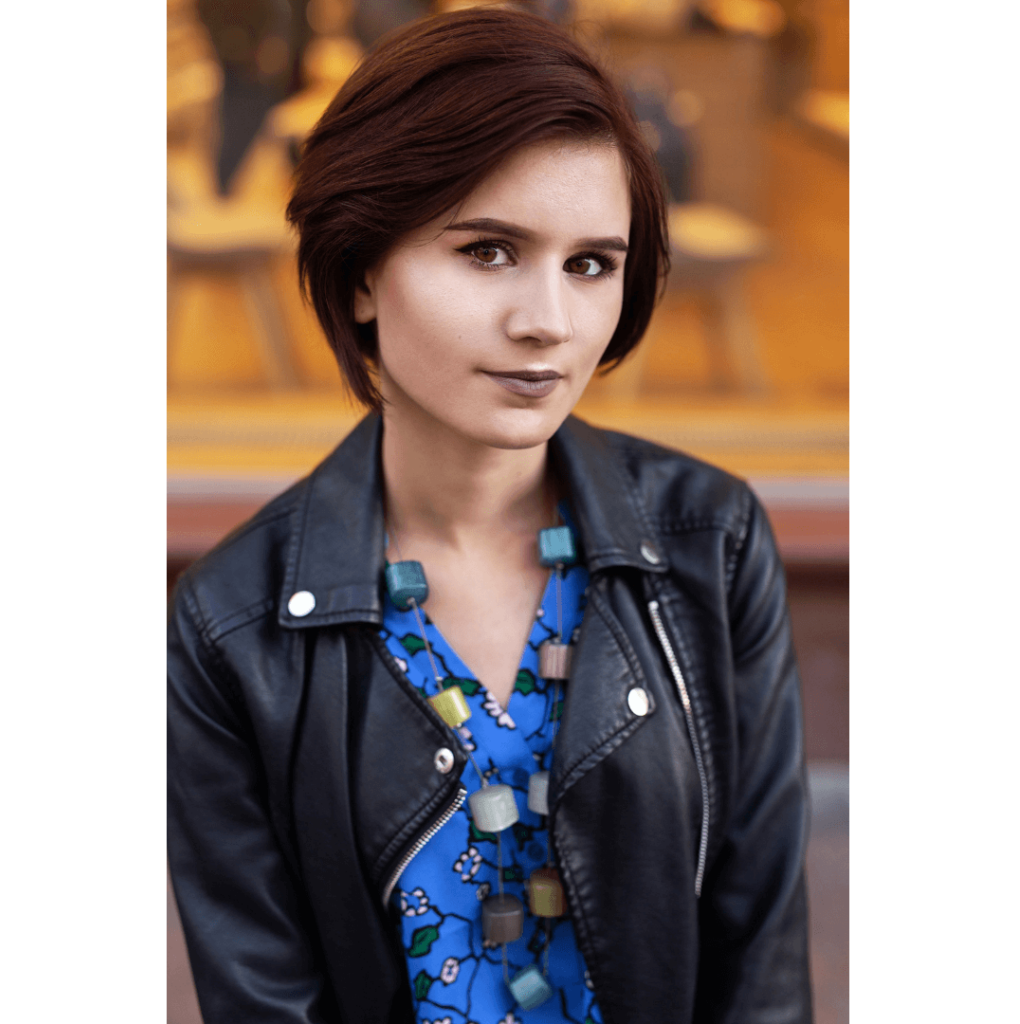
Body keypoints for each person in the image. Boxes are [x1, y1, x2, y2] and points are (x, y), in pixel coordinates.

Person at [166, 8, 813, 1024]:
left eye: (590, 263)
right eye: (488, 250)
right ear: (365, 266)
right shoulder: (234, 624)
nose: (547, 322)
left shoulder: (709, 543)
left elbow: (759, 958)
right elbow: (262, 996)